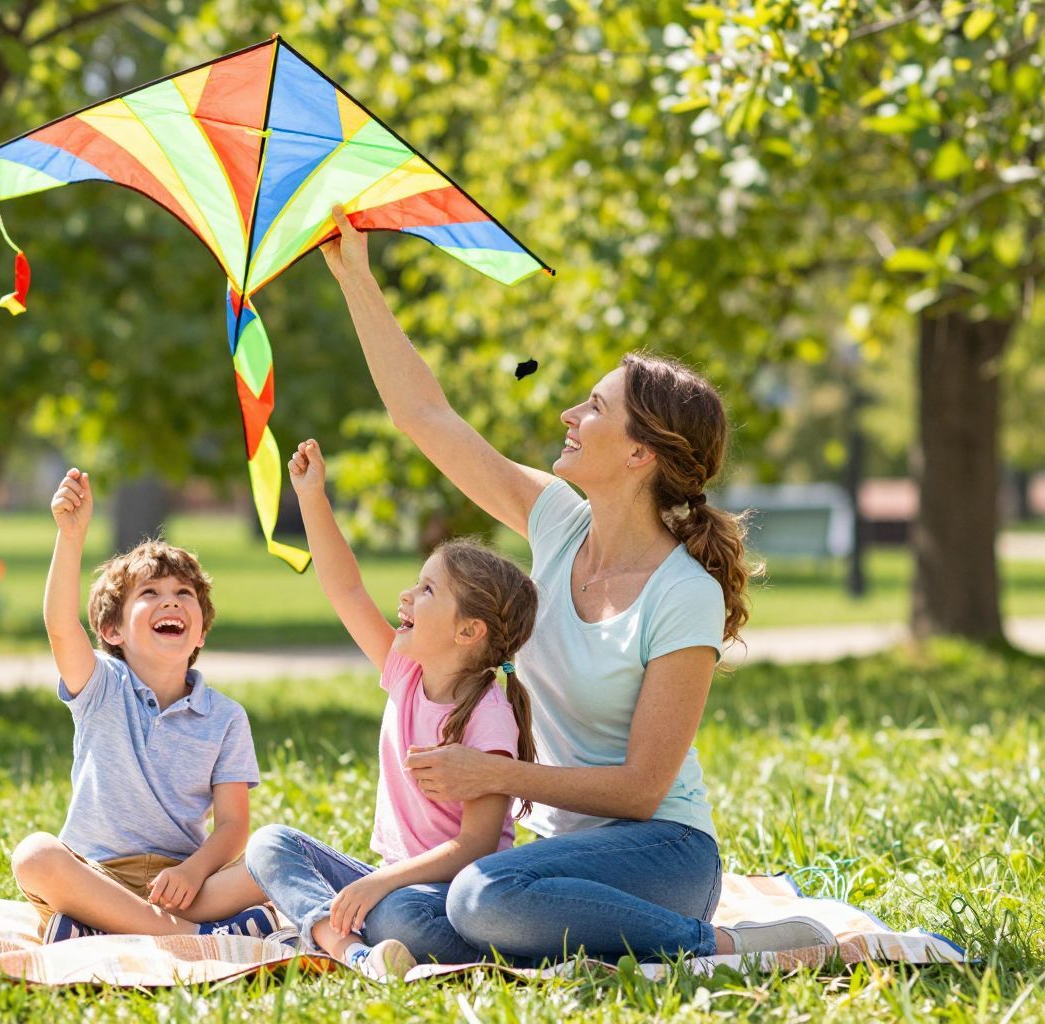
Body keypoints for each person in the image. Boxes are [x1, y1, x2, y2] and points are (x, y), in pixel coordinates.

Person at [314, 206, 836, 964]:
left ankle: (721, 943)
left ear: (639, 455)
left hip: (662, 854)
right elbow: (426, 416)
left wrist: (495, 774)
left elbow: (641, 791)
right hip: (552, 855)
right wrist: (356, 278)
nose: (569, 413)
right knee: (443, 912)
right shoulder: (557, 524)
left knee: (479, 899)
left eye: (594, 408)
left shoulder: (682, 594)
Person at [244, 439, 540, 980]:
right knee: (270, 844)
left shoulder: (488, 715)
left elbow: (475, 844)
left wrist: (382, 883)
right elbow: (346, 589)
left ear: (467, 631)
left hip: (449, 895)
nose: (405, 596)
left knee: (398, 914)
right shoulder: (406, 674)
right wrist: (312, 497)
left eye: (426, 590)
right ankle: (351, 950)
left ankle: (348, 937)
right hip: (390, 881)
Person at [10, 467, 278, 943]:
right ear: (112, 631)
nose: (170, 602)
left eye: (183, 595)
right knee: (34, 856)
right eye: (149, 594)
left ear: (199, 631)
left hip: (182, 886)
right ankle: (195, 937)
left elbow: (234, 825)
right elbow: (58, 626)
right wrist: (70, 536)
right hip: (98, 877)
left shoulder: (226, 717)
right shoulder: (101, 685)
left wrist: (195, 872)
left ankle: (98, 931)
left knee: (271, 859)